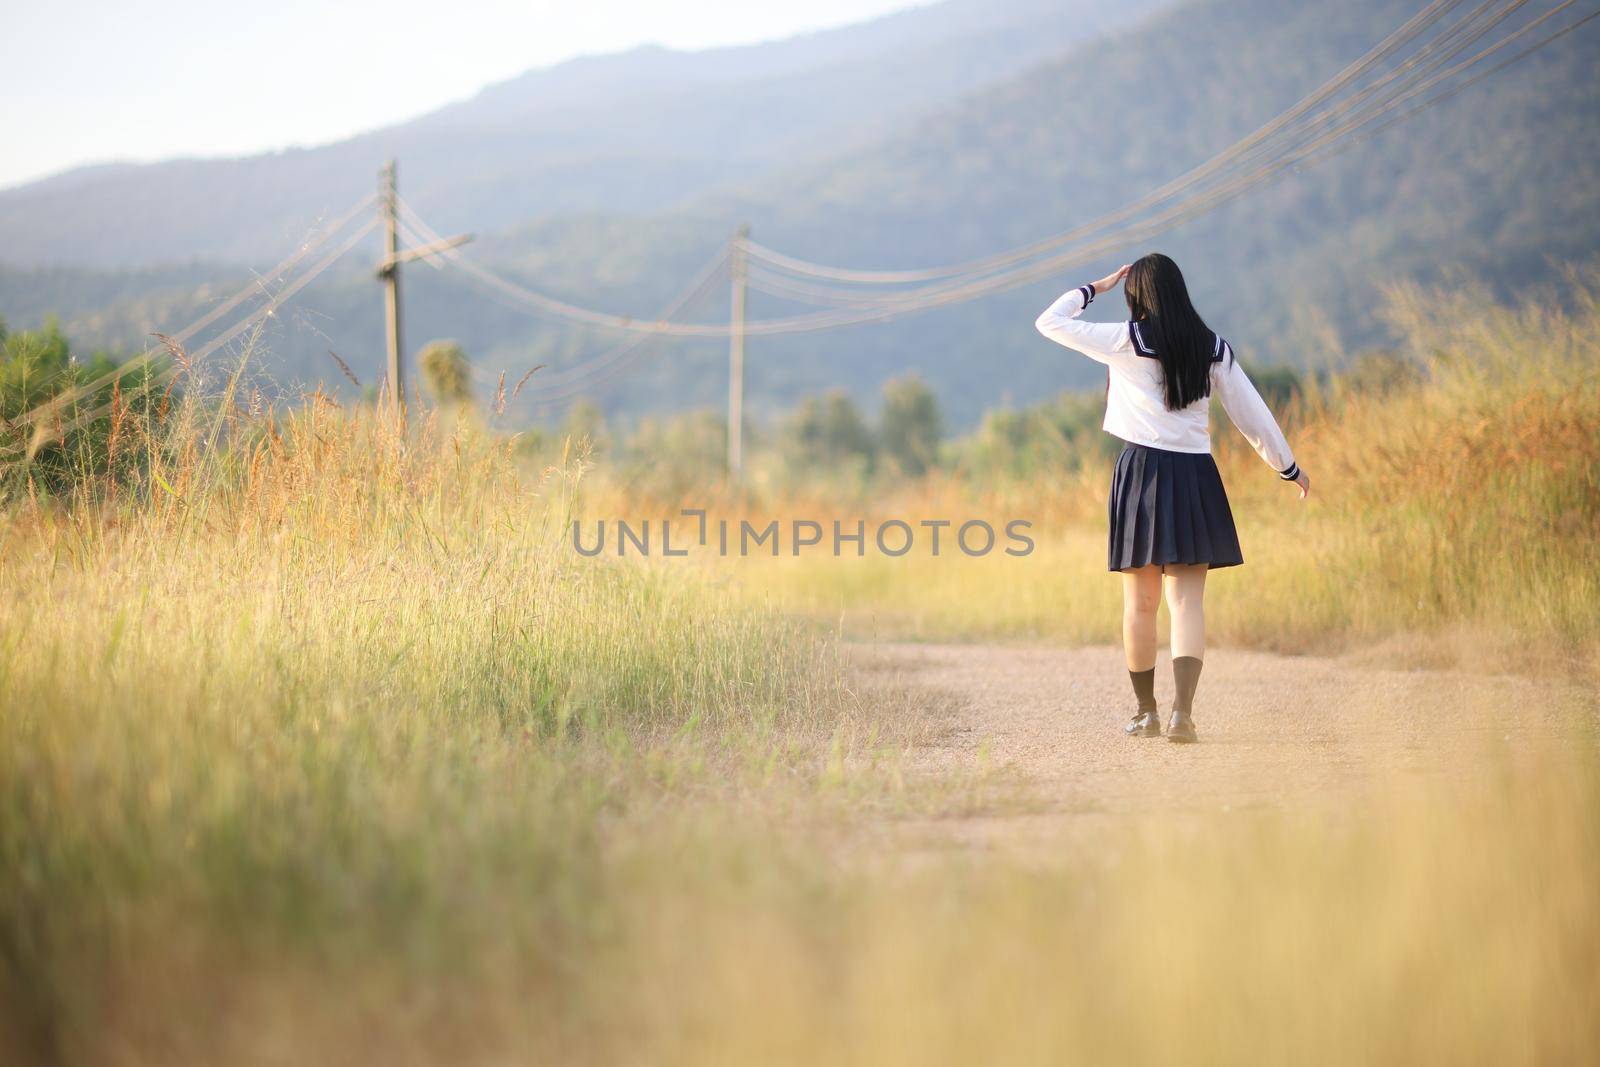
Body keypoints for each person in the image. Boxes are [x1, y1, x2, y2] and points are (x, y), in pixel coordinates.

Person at [1034, 253, 1309, 743]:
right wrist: (1286, 467)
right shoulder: (1212, 347)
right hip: (1194, 476)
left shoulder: (1125, 339)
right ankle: (1184, 715)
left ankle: (1148, 713)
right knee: (1187, 604)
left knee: (1140, 605)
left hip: (1141, 474)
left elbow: (1049, 322)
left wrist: (1095, 287)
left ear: (1137, 294)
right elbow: (1252, 414)